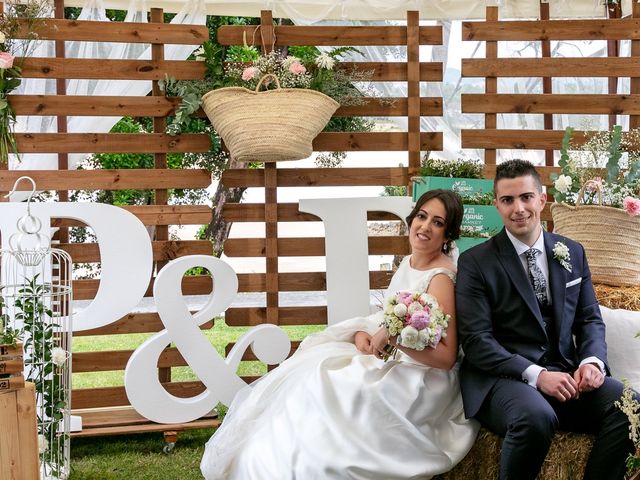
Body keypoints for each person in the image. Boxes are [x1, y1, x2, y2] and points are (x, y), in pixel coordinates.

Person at [201, 189, 478, 480]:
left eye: (437, 222)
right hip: (394, 358)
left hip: (423, 377)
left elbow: (446, 358)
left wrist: (394, 337)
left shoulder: (441, 279)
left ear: (448, 235)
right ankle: (285, 464)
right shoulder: (409, 262)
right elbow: (387, 317)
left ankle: (322, 467)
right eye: (422, 216)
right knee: (316, 371)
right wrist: (364, 332)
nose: (425, 227)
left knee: (344, 388)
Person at [456, 159, 634, 480]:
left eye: (526, 197)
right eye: (508, 200)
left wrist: (592, 362)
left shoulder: (573, 251)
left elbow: (589, 319)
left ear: (543, 198)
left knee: (631, 405)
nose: (518, 208)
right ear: (496, 204)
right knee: (535, 417)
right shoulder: (475, 263)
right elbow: (477, 342)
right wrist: (537, 375)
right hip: (502, 380)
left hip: (564, 375)